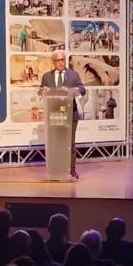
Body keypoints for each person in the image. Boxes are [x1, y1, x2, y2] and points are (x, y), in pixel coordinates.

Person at [39, 50, 86, 179]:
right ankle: (56, 168)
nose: (61, 63)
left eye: (62, 60)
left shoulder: (73, 75)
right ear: (53, 62)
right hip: (54, 114)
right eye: (58, 60)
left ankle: (72, 169)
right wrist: (44, 90)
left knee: (70, 144)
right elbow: (40, 91)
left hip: (71, 114)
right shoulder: (47, 76)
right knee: (55, 143)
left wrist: (72, 90)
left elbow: (83, 89)